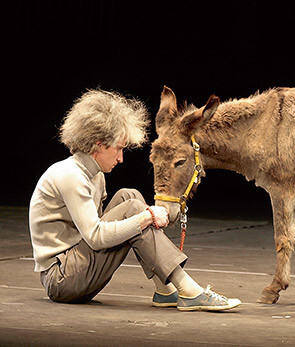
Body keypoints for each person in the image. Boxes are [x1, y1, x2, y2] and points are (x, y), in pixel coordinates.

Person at [29, 89, 240, 311]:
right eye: (118, 149)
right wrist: (146, 217)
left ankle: (165, 289)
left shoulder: (95, 175)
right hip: (62, 280)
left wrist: (141, 217)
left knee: (129, 196)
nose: (121, 158)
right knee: (133, 209)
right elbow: (95, 237)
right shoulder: (70, 175)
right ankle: (189, 290)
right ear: (99, 144)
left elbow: (102, 228)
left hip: (78, 266)